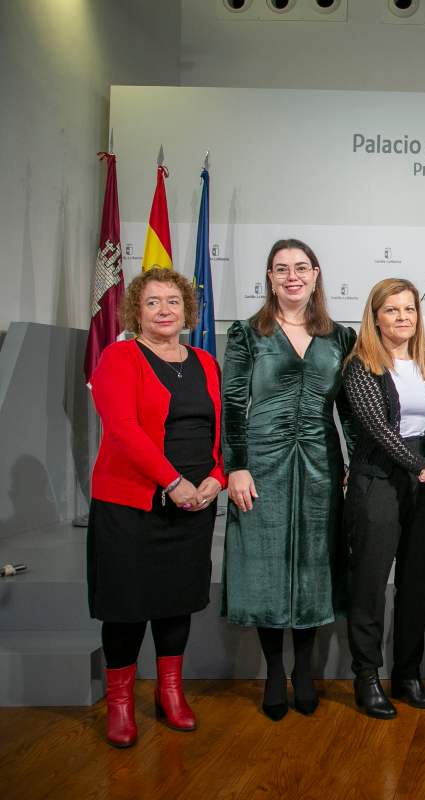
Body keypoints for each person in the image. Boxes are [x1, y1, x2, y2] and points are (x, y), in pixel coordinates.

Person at [87, 267, 225, 747]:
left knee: (177, 604)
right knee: (126, 609)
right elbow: (122, 429)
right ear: (135, 312)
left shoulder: (206, 361)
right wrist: (172, 481)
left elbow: (217, 430)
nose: (164, 310)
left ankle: (171, 694)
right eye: (152, 302)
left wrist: (216, 476)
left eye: (173, 301)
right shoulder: (119, 356)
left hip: (193, 505)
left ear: (187, 309)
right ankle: (120, 706)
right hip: (132, 505)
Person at [222, 239, 357, 721]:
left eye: (301, 267)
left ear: (316, 274)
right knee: (265, 568)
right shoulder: (246, 334)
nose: (292, 276)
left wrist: (353, 469)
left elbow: (350, 410)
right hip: (261, 463)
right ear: (271, 277)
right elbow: (233, 405)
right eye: (282, 269)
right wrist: (234, 465)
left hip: (321, 462)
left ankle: (304, 667)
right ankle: (274, 669)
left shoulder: (340, 338)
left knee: (312, 565)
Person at [341, 278, 425, 719]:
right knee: (371, 585)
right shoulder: (361, 365)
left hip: (422, 489)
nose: (402, 318)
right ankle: (366, 677)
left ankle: (407, 674)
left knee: (416, 585)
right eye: (392, 310)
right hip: (377, 484)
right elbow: (379, 431)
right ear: (375, 317)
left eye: (409, 310)